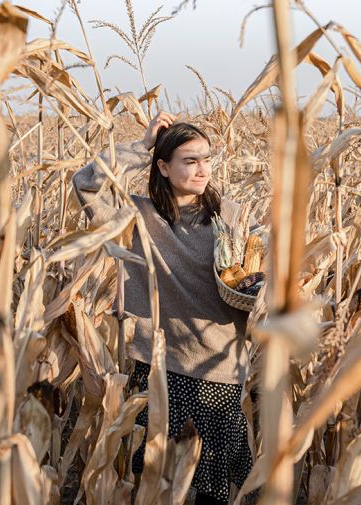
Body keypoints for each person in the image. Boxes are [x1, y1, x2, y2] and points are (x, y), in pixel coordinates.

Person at [72, 112, 253, 505]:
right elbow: (86, 184)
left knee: (213, 490)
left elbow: (246, 279)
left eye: (206, 158)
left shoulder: (230, 218)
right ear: (163, 167)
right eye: (189, 160)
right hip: (159, 367)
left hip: (219, 368)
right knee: (155, 483)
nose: (202, 168)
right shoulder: (138, 217)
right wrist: (142, 143)